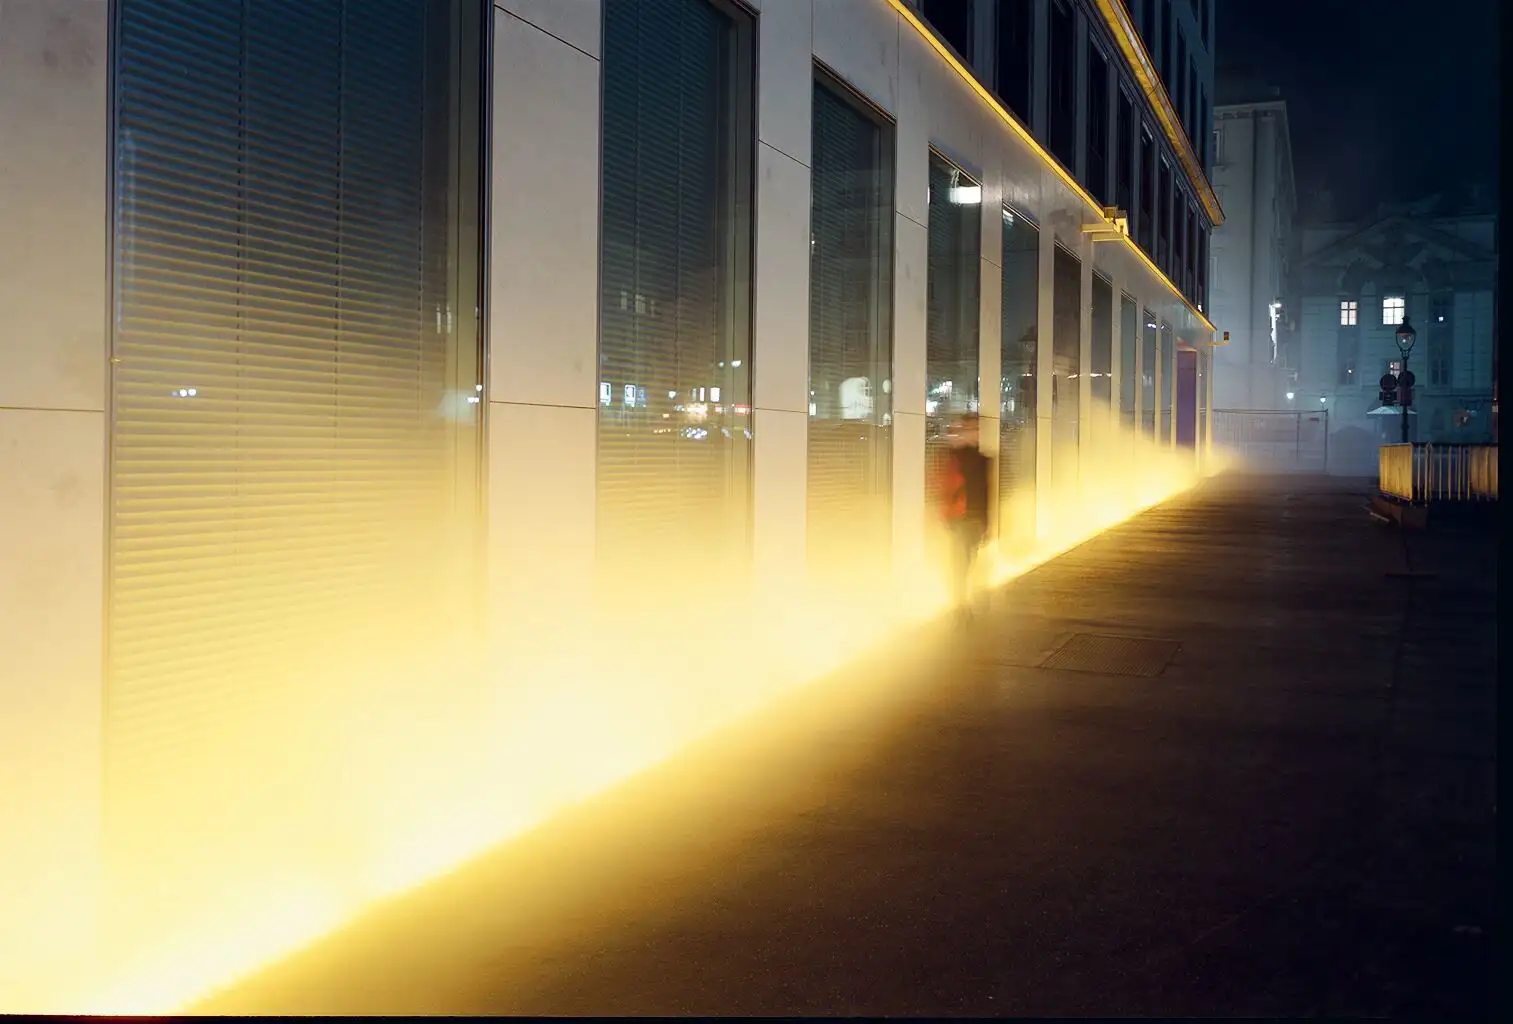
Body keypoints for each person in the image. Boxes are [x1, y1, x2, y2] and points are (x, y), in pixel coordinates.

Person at [934, 413, 992, 619]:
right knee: (961, 563)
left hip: (973, 520)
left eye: (976, 429)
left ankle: (961, 602)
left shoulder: (982, 459)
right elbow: (945, 488)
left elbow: (986, 493)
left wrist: (988, 523)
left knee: (967, 561)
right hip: (961, 518)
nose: (974, 433)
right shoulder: (955, 457)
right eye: (970, 429)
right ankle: (961, 605)